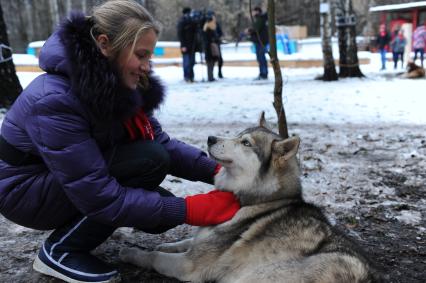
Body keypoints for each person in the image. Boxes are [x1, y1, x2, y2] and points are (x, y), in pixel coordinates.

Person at [0, 1, 240, 283]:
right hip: (23, 191)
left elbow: (160, 142)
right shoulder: (55, 99)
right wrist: (189, 209)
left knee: (159, 199)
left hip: (62, 179)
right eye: (141, 55)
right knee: (150, 165)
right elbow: (97, 194)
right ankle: (60, 251)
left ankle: (76, 236)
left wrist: (224, 174)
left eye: (150, 57)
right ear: (104, 44)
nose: (146, 67)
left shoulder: (114, 84)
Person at [247, 6, 269, 80]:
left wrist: (250, 31)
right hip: (260, 41)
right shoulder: (260, 19)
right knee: (260, 58)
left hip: (260, 42)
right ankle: (262, 73)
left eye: (254, 11)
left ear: (257, 12)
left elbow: (256, 29)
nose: (252, 13)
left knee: (261, 58)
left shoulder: (260, 19)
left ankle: (263, 74)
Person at [177, 7, 197, 82]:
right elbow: (180, 34)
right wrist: (183, 45)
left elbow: (195, 30)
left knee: (192, 62)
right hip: (185, 46)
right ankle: (187, 76)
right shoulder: (182, 21)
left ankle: (191, 76)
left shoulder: (192, 21)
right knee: (186, 62)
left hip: (192, 46)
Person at [203, 13, 220, 82]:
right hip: (210, 48)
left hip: (210, 48)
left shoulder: (208, 28)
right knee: (210, 63)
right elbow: (210, 39)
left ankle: (211, 76)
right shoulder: (208, 29)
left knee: (211, 63)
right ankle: (210, 77)